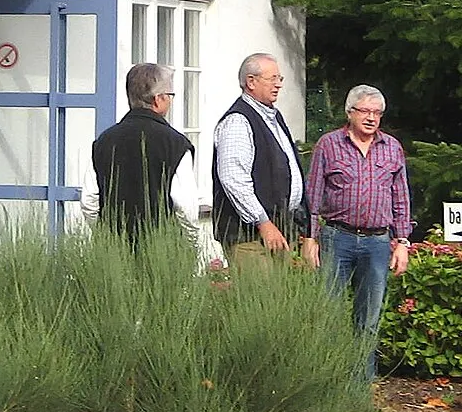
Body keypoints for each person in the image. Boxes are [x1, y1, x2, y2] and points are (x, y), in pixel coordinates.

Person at [301, 86, 412, 373]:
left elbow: (400, 197)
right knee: (328, 313)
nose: (371, 118)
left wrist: (402, 242)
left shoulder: (392, 148)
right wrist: (310, 238)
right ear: (350, 113)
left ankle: (360, 390)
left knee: (369, 318)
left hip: (377, 242)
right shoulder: (329, 145)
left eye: (377, 113)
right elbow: (313, 195)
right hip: (337, 238)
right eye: (365, 111)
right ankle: (326, 383)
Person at [81, 62, 214, 263]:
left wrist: (106, 237)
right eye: (170, 96)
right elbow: (185, 206)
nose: (170, 101)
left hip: (114, 255)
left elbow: (90, 201)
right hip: (164, 252)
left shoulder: (103, 142)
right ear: (158, 99)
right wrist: (190, 245)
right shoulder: (175, 144)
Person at [210, 53, 309, 266]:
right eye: (271, 78)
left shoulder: (273, 117)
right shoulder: (238, 121)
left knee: (280, 298)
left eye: (279, 79)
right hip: (250, 237)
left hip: (278, 231)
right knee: (260, 297)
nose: (278, 85)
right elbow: (233, 178)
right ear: (251, 82)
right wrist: (262, 222)